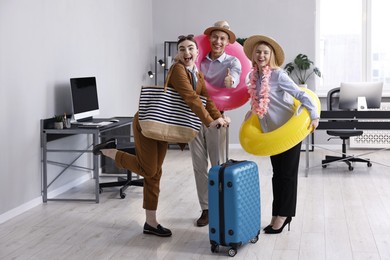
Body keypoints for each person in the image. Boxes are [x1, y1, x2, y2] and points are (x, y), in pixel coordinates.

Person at [93, 34, 228, 237]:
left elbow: (206, 99)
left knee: (155, 173)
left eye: (190, 48)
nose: (186, 52)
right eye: (181, 49)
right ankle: (111, 151)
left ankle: (150, 222)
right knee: (148, 169)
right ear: (177, 54)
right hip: (148, 124)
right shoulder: (177, 70)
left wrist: (219, 118)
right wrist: (210, 122)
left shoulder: (197, 74)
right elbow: (191, 98)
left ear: (197, 52)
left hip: (164, 129)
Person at [242, 35, 320, 234]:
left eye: (265, 52)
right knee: (278, 175)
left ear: (271, 56)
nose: (261, 55)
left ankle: (284, 216)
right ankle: (277, 213)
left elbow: (301, 94)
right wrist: (253, 109)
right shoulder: (254, 76)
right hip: (272, 132)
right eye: (258, 52)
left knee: (287, 175)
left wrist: (314, 115)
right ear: (253, 55)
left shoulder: (277, 75)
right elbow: (262, 100)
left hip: (288, 130)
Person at [189, 20, 242, 227]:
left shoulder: (232, 63)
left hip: (217, 117)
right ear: (209, 38)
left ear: (227, 42)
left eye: (222, 38)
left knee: (218, 164)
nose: (218, 41)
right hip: (194, 115)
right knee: (198, 164)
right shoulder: (199, 59)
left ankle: (221, 207)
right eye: (215, 37)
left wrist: (231, 82)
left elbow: (235, 79)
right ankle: (206, 209)